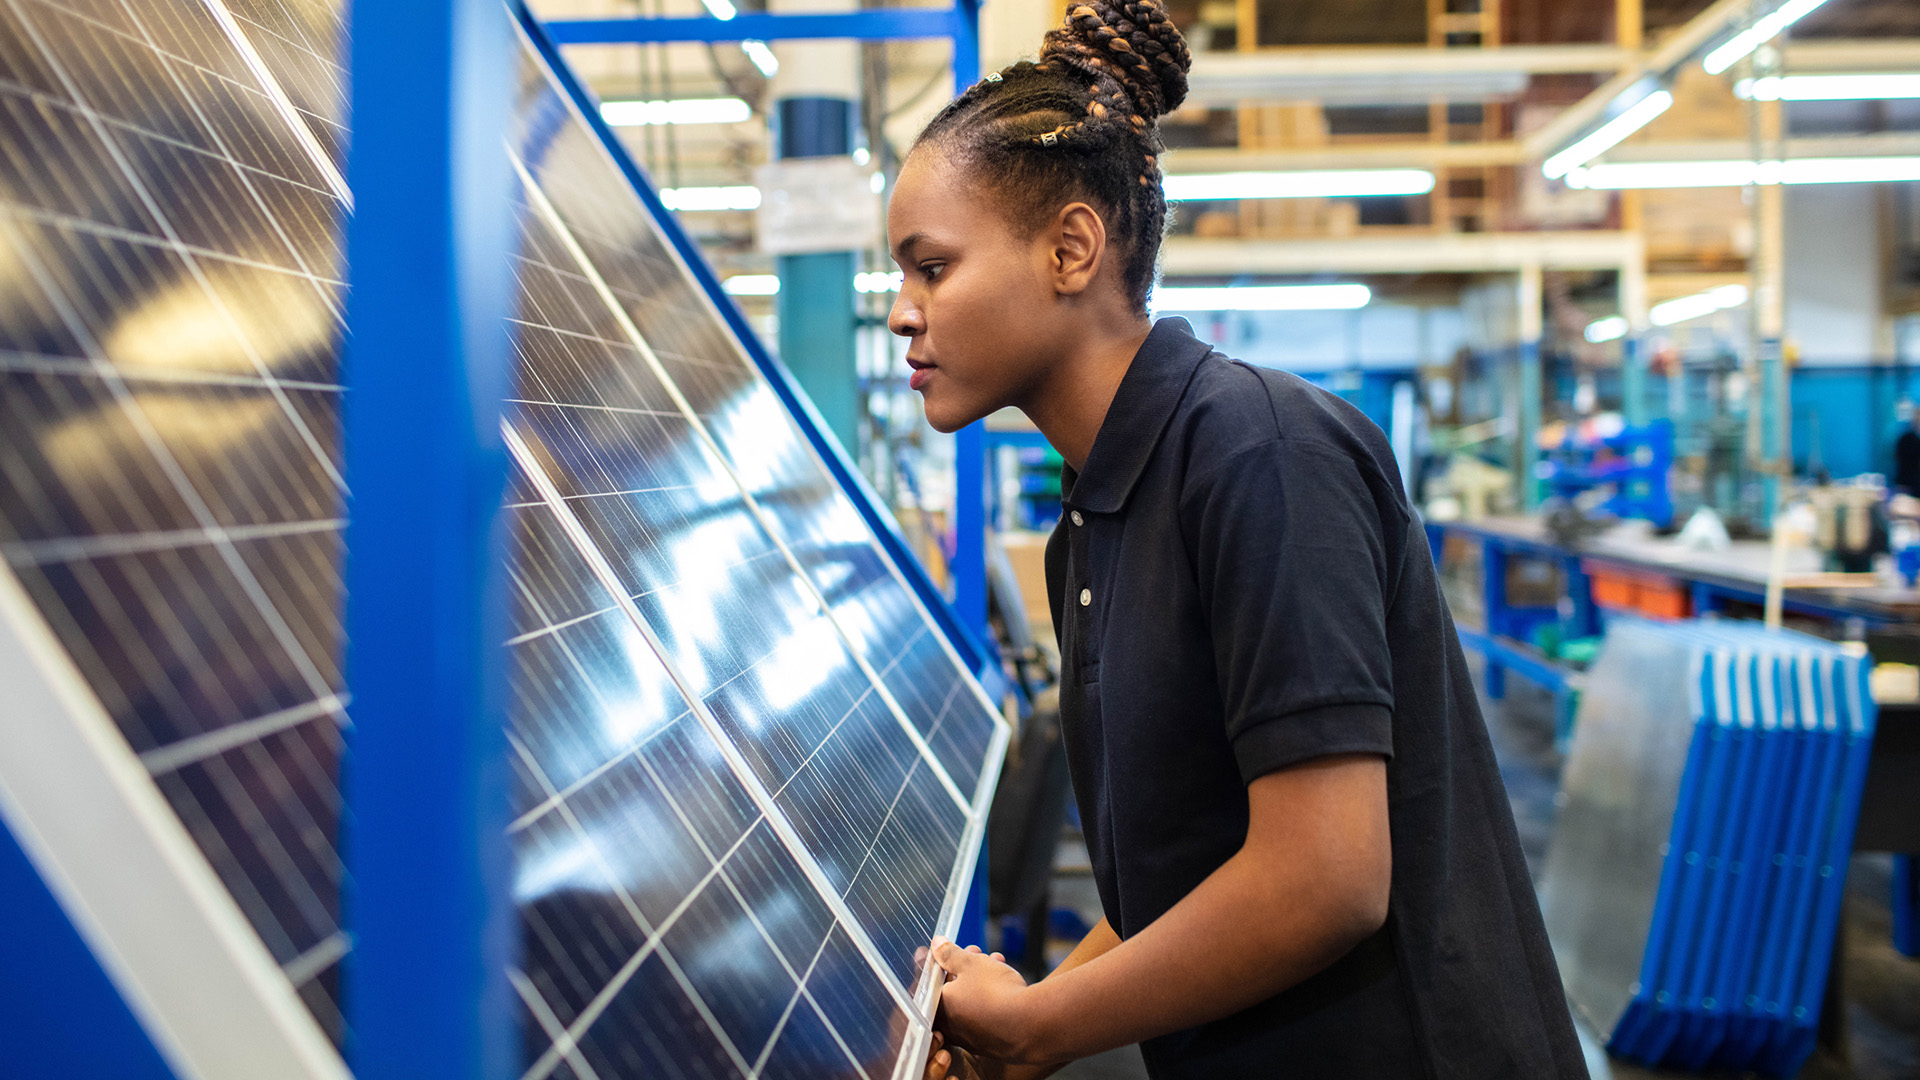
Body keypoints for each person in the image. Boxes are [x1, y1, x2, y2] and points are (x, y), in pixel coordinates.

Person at [885, 3, 1590, 1078]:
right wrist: (1031, 1020)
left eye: (930, 267)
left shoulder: (1260, 459)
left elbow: (1326, 879)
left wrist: (1047, 1029)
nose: (902, 311)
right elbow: (1198, 874)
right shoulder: (1101, 517)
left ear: (1071, 248)